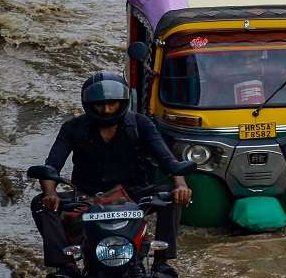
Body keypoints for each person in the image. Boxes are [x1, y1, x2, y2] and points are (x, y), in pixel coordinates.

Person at [30, 72, 192, 278]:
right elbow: (51, 167)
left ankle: (161, 262)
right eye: (100, 104)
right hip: (87, 196)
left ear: (123, 102)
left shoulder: (140, 124)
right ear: (88, 104)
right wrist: (50, 193)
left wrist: (180, 185)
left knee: (171, 196)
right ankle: (65, 266)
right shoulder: (72, 128)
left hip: (135, 194)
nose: (106, 110)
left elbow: (168, 161)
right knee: (40, 203)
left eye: (112, 104)